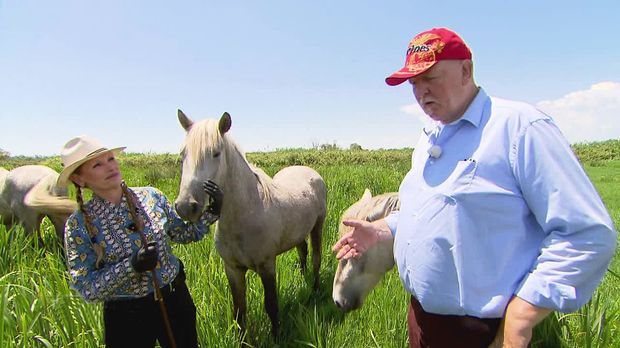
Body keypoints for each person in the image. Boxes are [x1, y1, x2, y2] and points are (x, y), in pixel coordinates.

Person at [332, 27, 617, 348]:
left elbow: (587, 234)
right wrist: (384, 230)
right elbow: (430, 212)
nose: (421, 92)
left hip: (480, 331)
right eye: (414, 83)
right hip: (423, 321)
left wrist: (523, 313)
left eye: (430, 78)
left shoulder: (519, 128)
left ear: (466, 70)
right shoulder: (429, 139)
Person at [57, 135, 223, 348]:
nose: (110, 167)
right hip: (126, 316)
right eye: (98, 164)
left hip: (174, 300)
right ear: (80, 179)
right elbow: (87, 287)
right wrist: (131, 266)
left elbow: (183, 234)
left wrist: (212, 212)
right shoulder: (78, 225)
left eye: (110, 159)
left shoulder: (151, 197)